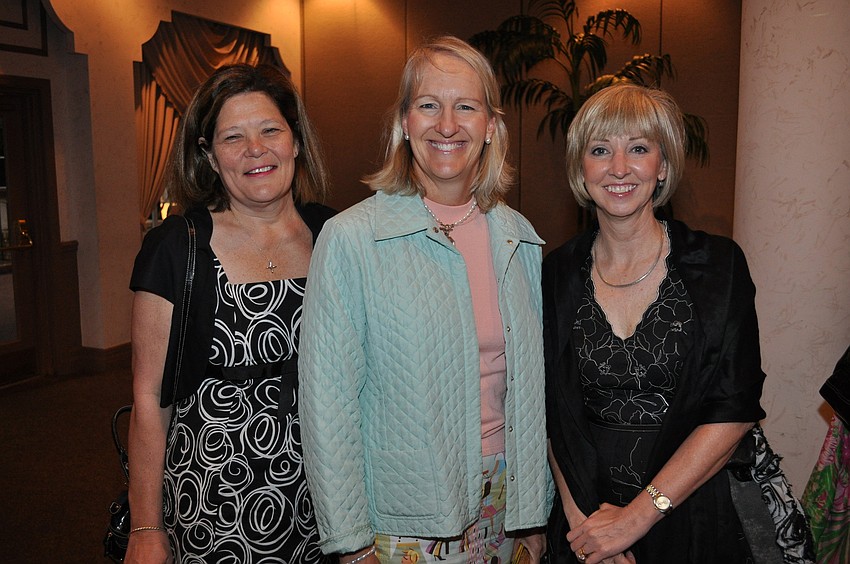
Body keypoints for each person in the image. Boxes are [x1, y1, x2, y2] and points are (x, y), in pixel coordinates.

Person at [298, 36, 553, 564]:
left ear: (490, 127)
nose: (447, 124)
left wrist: (534, 509)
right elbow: (329, 406)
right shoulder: (352, 240)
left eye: (466, 106)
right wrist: (350, 543)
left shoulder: (518, 236)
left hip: (505, 500)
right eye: (428, 105)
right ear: (405, 123)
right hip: (401, 517)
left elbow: (530, 393)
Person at [543, 83, 814, 564]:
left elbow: (735, 407)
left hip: (695, 511)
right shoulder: (554, 273)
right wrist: (588, 532)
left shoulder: (719, 265)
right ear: (581, 170)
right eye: (600, 150)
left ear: (663, 166)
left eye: (639, 149)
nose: (619, 168)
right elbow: (548, 415)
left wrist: (636, 519)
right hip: (585, 514)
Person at [125, 63, 334, 563]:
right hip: (214, 506)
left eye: (270, 130)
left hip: (327, 501)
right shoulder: (176, 249)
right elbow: (149, 398)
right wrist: (146, 529)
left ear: (296, 141)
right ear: (210, 158)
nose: (255, 150)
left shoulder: (336, 235)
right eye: (232, 138)